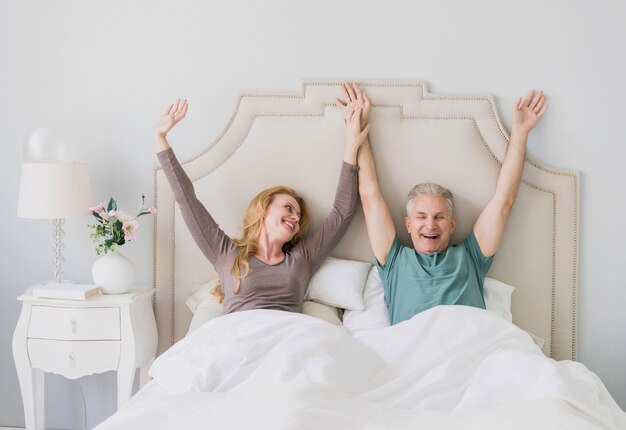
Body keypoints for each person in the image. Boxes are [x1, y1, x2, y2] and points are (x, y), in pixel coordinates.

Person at [336, 83, 548, 325]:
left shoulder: (471, 257)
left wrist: (520, 134)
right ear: (408, 223)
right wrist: (358, 129)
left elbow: (504, 201)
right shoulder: (395, 260)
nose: (430, 225)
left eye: (439, 217)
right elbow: (370, 196)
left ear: (452, 224)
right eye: (421, 216)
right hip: (414, 352)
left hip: (467, 349)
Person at [154, 99, 370, 314]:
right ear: (264, 209)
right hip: (241, 339)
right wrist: (160, 139)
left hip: (288, 338)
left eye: (298, 215)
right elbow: (187, 200)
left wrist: (352, 145)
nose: (295, 217)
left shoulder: (301, 259)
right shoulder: (226, 253)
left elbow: (342, 212)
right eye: (288, 208)